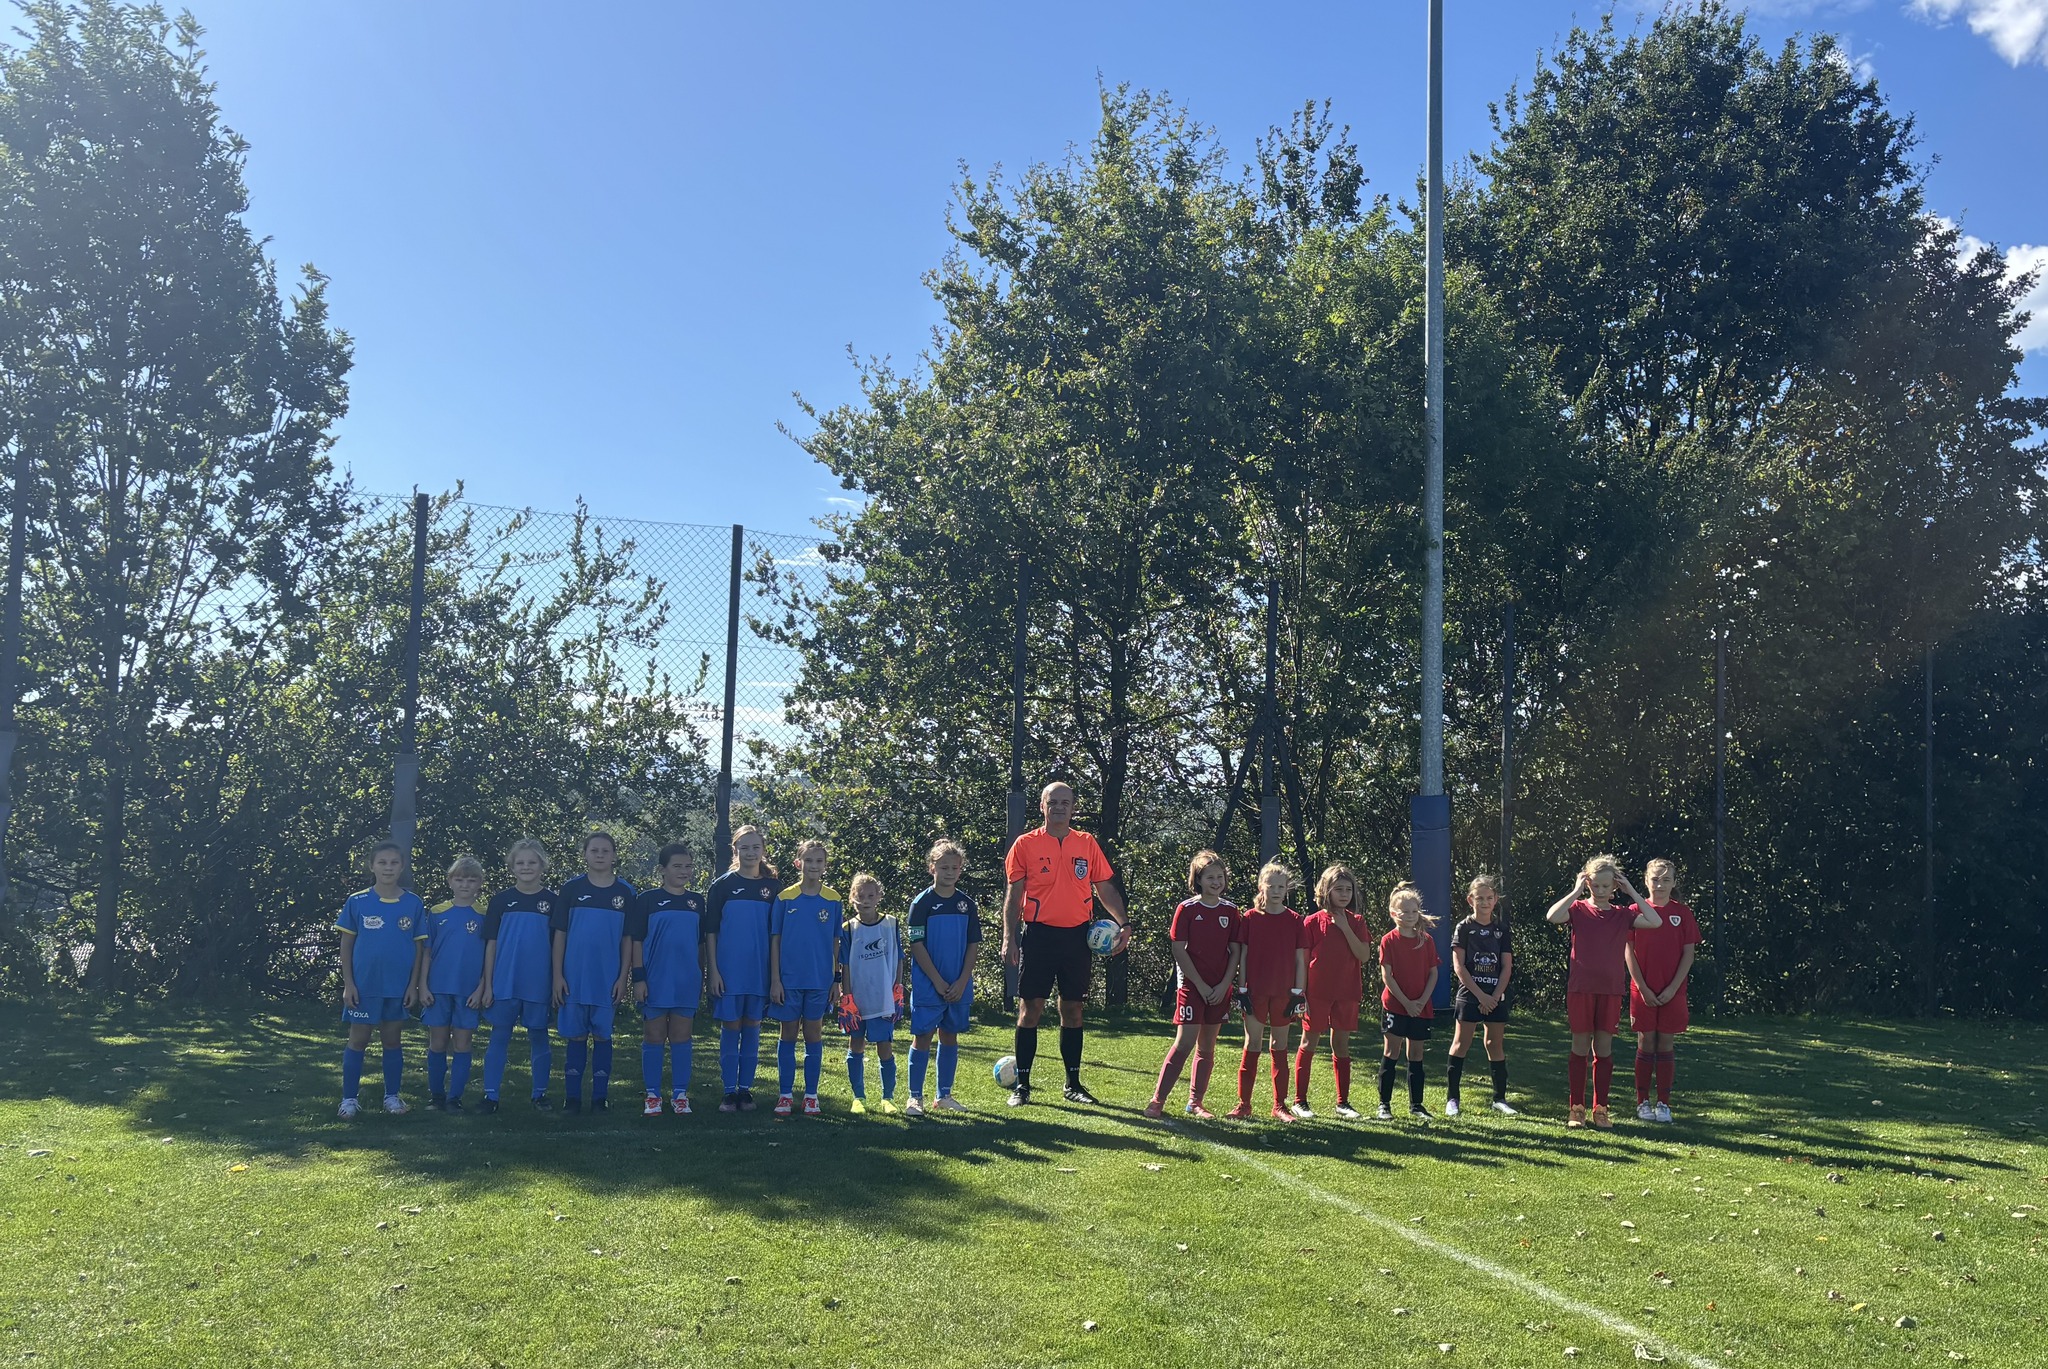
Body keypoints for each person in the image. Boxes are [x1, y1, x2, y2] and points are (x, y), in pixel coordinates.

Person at [1000, 782, 1129, 1106]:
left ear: (1073, 808)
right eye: (1053, 802)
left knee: (1073, 1009)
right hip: (1039, 936)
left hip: (1077, 938)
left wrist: (1124, 924)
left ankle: (1073, 1085)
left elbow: (1104, 888)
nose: (1059, 807)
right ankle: (1022, 1086)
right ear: (1042, 806)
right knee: (1030, 1009)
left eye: (1065, 802)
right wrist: (1009, 937)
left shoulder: (1086, 843)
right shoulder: (1025, 844)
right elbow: (1014, 896)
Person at [1546, 855, 1661, 1130]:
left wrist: (1632, 891)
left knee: (1604, 1049)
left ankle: (1601, 1109)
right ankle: (1577, 1109)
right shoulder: (1577, 909)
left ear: (1614, 887)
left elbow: (1655, 920)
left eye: (1606, 886)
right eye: (1595, 885)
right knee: (1579, 1047)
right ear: (1588, 884)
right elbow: (1552, 916)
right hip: (1581, 988)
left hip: (1610, 990)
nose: (1600, 890)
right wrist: (1576, 890)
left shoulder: (1623, 914)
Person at [1143, 850, 1243, 1120]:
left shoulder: (1231, 911)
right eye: (1210, 877)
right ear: (1198, 880)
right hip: (1192, 986)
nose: (1216, 882)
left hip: (1219, 988)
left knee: (1207, 1046)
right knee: (1185, 1042)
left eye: (1220, 877)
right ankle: (1157, 1100)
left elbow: (1236, 951)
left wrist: (1224, 985)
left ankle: (1195, 1102)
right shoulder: (1187, 909)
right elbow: (1179, 949)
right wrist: (1199, 984)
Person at [335, 840, 428, 1118]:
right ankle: (349, 1099)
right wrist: (349, 984)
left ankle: (392, 1097)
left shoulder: (413, 903)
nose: (388, 867)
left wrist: (413, 985)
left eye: (394, 862)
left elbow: (419, 948)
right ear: (372, 866)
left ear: (402, 866)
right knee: (358, 1039)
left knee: (392, 1039)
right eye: (383, 862)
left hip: (398, 987)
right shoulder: (357, 901)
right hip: (365, 986)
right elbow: (346, 945)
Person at [552, 831, 636, 1114]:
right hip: (573, 978)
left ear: (614, 855)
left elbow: (628, 939)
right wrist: (558, 975)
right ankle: (572, 1098)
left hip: (607, 978)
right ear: (585, 854)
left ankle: (600, 1098)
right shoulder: (571, 889)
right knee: (576, 1036)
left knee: (602, 1035)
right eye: (594, 850)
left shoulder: (625, 892)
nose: (600, 855)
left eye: (605, 851)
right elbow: (560, 934)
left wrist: (623, 977)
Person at [475, 838, 560, 1113]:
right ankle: (490, 1096)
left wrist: (555, 982)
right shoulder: (501, 900)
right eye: (520, 862)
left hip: (539, 982)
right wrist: (488, 984)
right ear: (512, 866)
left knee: (539, 1036)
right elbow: (491, 945)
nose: (526, 867)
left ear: (542, 866)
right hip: (504, 981)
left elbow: (558, 946)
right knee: (499, 1035)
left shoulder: (553, 902)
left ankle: (540, 1094)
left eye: (532, 862)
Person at [705, 824, 778, 1113]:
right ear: (734, 850)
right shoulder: (722, 886)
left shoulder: (773, 888)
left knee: (752, 1028)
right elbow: (711, 932)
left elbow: (777, 935)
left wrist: (775, 975)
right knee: (731, 1028)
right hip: (729, 972)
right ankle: (728, 1092)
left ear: (763, 850)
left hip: (759, 971)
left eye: (755, 847)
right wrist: (714, 970)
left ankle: (745, 1091)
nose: (750, 852)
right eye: (744, 847)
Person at [630, 842, 707, 1116]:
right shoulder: (647, 900)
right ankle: (652, 1094)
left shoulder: (697, 902)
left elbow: (700, 944)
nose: (684, 871)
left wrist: (701, 976)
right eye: (677, 866)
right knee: (654, 1036)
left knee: (681, 1036)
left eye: (688, 866)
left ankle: (680, 1094)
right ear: (662, 870)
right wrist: (638, 978)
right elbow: (636, 941)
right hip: (655, 979)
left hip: (686, 980)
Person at [905, 840, 980, 1116]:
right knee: (923, 1036)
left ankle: (944, 1095)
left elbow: (973, 945)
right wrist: (937, 981)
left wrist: (962, 981)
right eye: (943, 867)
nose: (949, 872)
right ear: (932, 868)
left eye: (954, 867)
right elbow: (916, 944)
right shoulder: (921, 903)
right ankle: (915, 1098)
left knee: (949, 1035)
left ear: (960, 870)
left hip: (957, 985)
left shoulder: (967, 905)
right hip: (929, 984)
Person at [1293, 863, 1374, 1120]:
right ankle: (1300, 1101)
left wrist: (1345, 928)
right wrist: (1300, 993)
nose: (1344, 894)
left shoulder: (1357, 922)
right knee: (1309, 1042)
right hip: (1316, 993)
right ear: (1326, 890)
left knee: (1341, 1044)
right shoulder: (1311, 922)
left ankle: (1343, 1103)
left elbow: (1364, 955)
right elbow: (1303, 960)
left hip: (1347, 992)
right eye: (1338, 889)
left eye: (1348, 890)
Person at [1228, 862, 1306, 1123]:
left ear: (1287, 889)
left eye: (1281, 886)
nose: (1276, 891)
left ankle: (1279, 1106)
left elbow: (1300, 960)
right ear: (1261, 886)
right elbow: (1243, 955)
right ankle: (1244, 1104)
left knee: (1279, 1046)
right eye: (1271, 885)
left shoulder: (1295, 920)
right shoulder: (1250, 918)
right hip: (1255, 992)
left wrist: (1298, 992)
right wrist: (1241, 989)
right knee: (1252, 1044)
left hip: (1284, 993)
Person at [1626, 858, 1702, 1123]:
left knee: (1666, 1043)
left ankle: (1663, 1104)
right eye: (1655, 879)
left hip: (1673, 991)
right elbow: (1628, 952)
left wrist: (1672, 988)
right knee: (1646, 1042)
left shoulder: (1683, 913)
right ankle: (1642, 1102)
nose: (1659, 885)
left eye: (1666, 879)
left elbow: (1688, 953)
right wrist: (1642, 987)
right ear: (1646, 881)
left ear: (1674, 883)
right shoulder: (1634, 911)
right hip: (1642, 990)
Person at [770, 839, 841, 1117]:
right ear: (798, 863)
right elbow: (775, 940)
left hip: (819, 981)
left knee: (814, 1035)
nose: (813, 865)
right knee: (787, 1034)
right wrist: (775, 980)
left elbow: (835, 942)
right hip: (789, 981)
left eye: (819, 861)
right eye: (808, 860)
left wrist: (836, 979)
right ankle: (785, 1095)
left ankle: (811, 1096)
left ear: (825, 866)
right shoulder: (785, 898)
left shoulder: (833, 899)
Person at [419, 855, 489, 1111]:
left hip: (468, 991)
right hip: (437, 989)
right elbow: (427, 952)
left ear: (479, 883)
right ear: (450, 881)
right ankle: (437, 1096)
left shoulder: (485, 914)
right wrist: (423, 985)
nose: (465, 885)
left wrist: (482, 987)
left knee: (462, 1044)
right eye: (460, 880)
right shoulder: (437, 912)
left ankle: (454, 1098)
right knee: (437, 1043)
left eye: (471, 880)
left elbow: (490, 955)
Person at [1445, 873, 1518, 1118]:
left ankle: (1499, 1099)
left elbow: (1506, 967)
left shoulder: (1501, 929)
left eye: (1489, 898)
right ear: (1470, 900)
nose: (1484, 902)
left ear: (1495, 899)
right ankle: (1452, 1099)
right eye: (1479, 898)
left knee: (1494, 1044)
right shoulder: (1464, 928)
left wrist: (1494, 996)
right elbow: (1459, 967)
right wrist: (1480, 996)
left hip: (1495, 996)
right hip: (1470, 994)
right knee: (1461, 1043)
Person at [840, 872, 905, 1115]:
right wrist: (847, 998)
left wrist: (897, 989)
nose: (865, 900)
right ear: (852, 898)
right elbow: (845, 965)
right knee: (856, 1044)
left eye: (870, 895)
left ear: (879, 897)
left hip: (883, 998)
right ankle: (858, 1097)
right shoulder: (848, 928)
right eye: (860, 896)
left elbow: (899, 958)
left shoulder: (891, 924)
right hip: (858, 999)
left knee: (884, 1047)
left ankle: (888, 1097)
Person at [1377, 882, 1440, 1121]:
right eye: (1404, 911)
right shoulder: (1388, 940)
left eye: (1414, 911)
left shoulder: (1427, 940)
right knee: (1391, 1051)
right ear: (1394, 913)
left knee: (1416, 1053)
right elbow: (1387, 976)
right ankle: (1384, 1105)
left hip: (1420, 1007)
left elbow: (1433, 973)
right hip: (1395, 1006)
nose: (1410, 916)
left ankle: (1417, 1105)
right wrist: (1405, 1003)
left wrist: (1421, 1001)